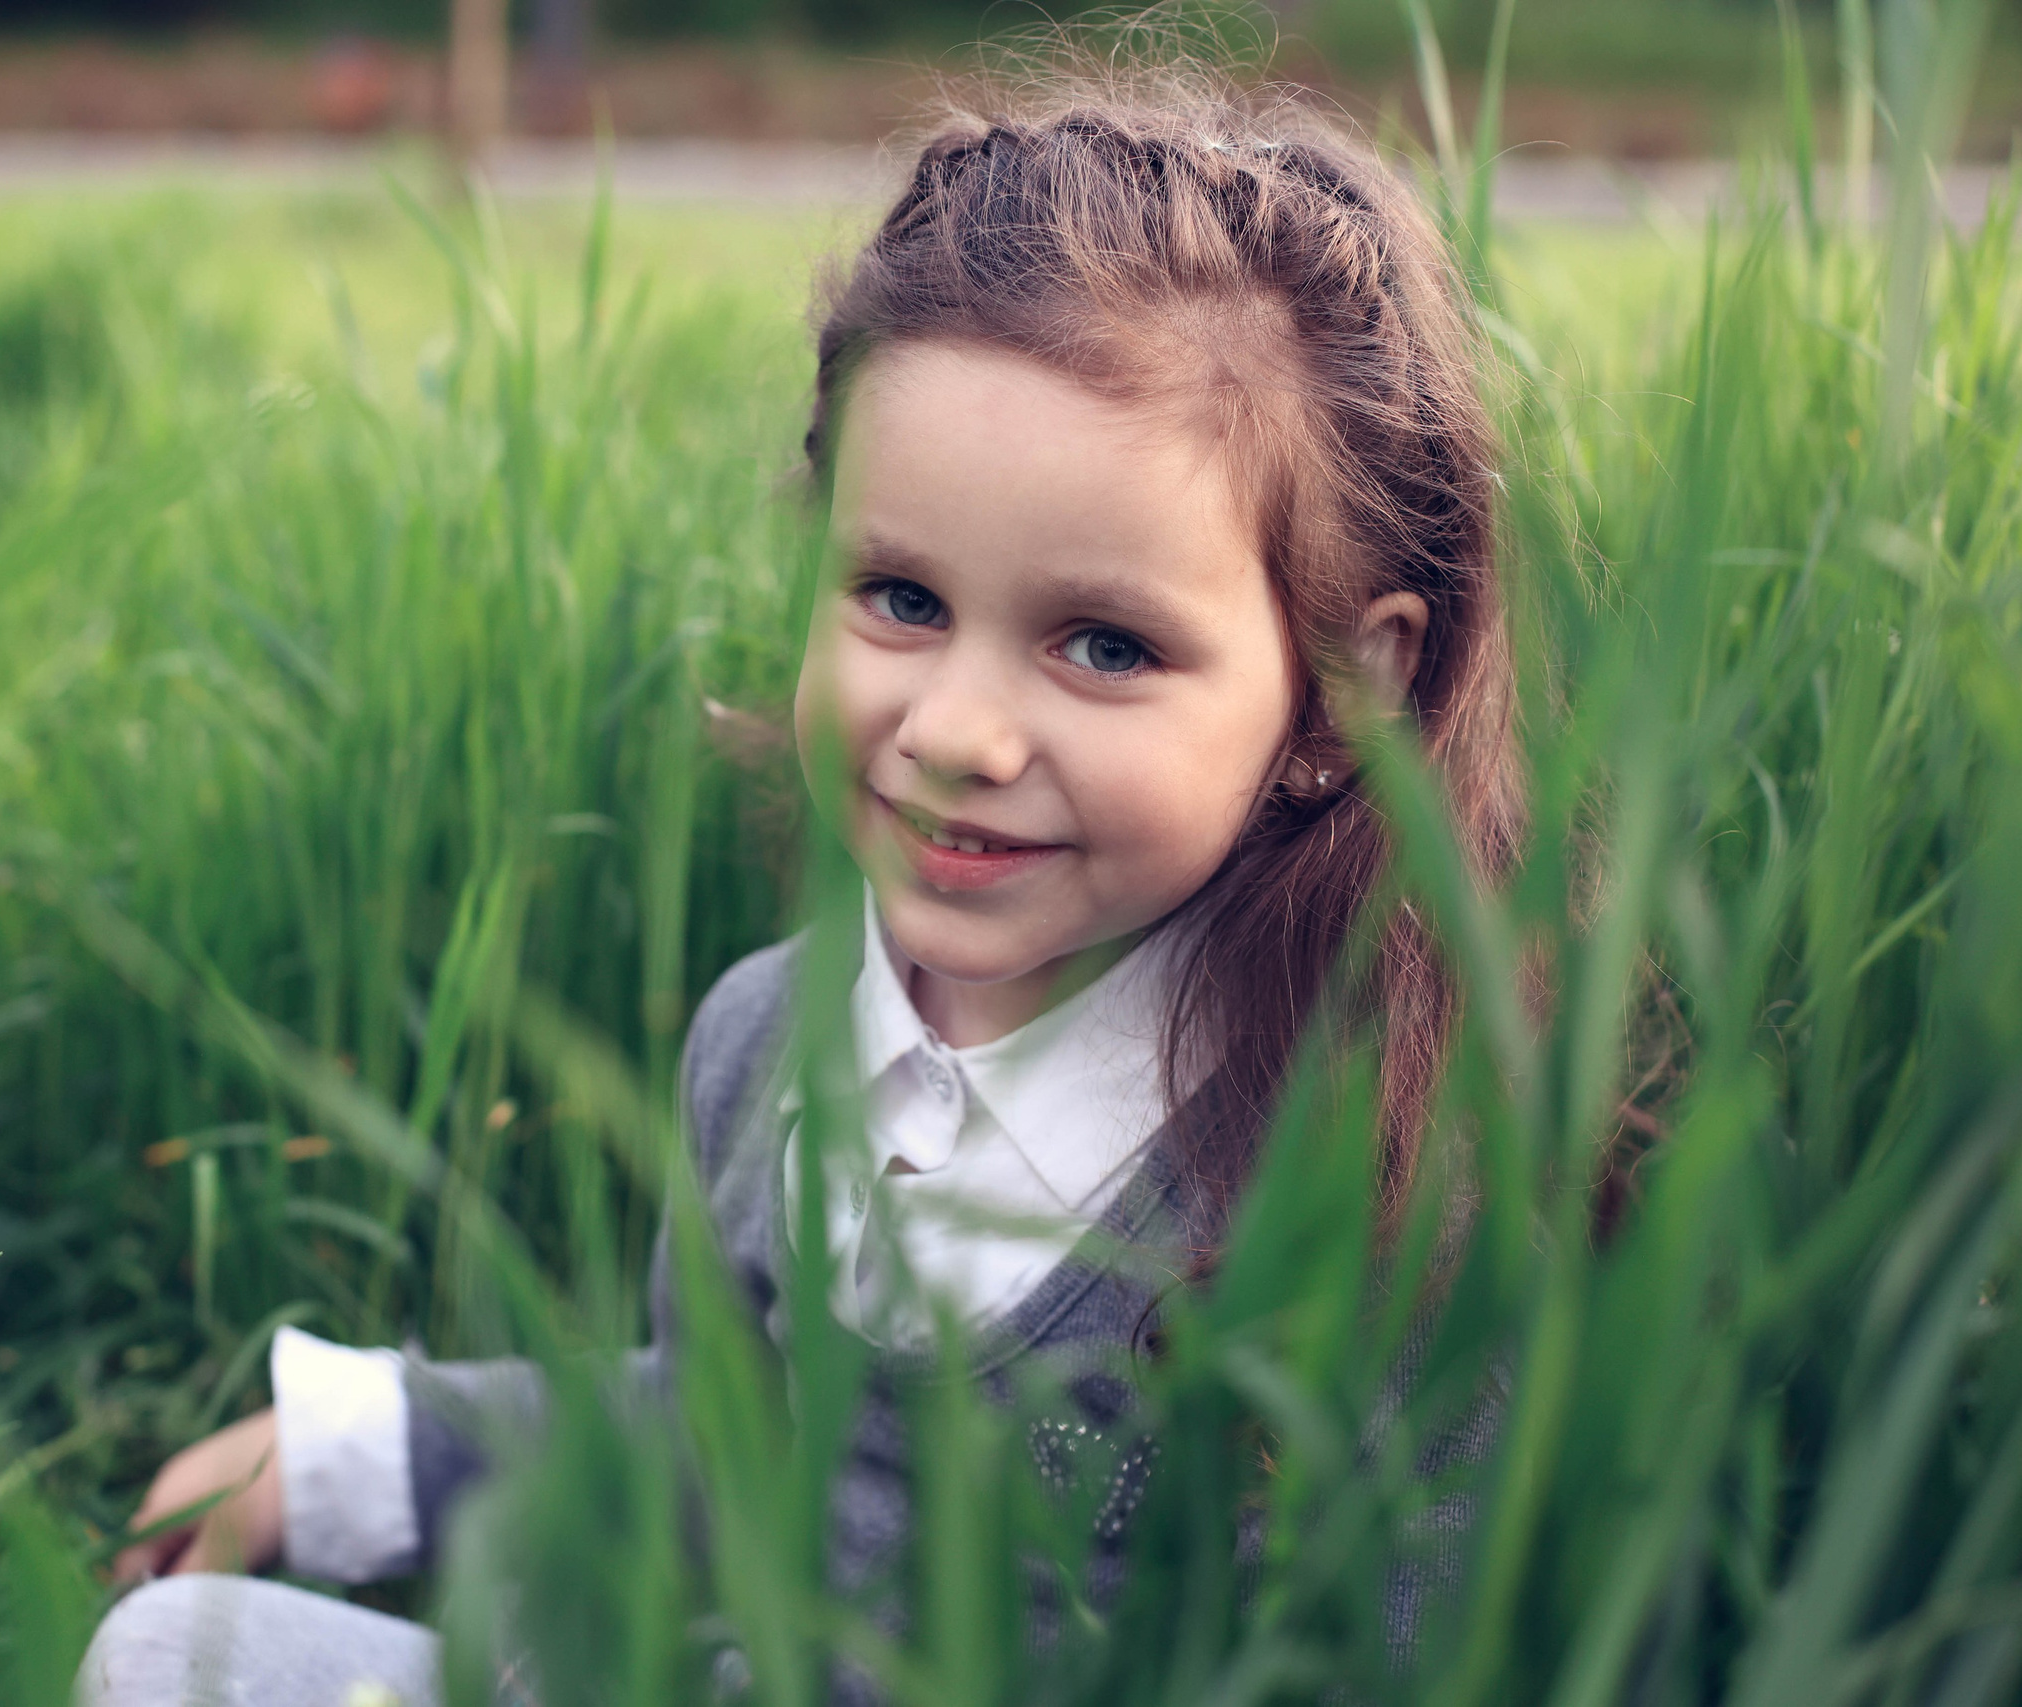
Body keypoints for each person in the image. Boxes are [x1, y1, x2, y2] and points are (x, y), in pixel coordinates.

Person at [80, 64, 1521, 1707]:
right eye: (900, 598)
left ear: (1350, 693)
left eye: (1104, 644)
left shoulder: (1367, 1173)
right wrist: (355, 1452)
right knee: (168, 1657)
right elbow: (719, 1449)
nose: (961, 731)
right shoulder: (770, 1046)